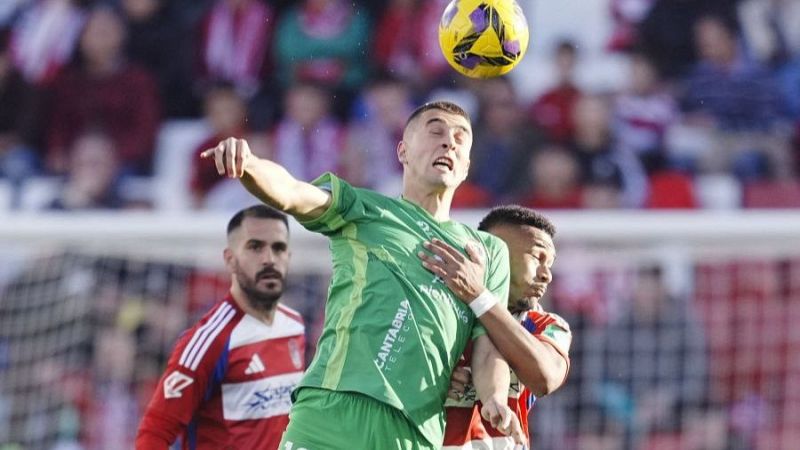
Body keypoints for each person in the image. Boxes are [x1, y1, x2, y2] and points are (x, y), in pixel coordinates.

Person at [200, 101, 523, 449]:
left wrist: (494, 397)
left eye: (461, 138)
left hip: (413, 429)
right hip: (331, 411)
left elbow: (489, 346)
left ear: (466, 167)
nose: (449, 143)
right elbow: (293, 192)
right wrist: (249, 165)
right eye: (435, 131)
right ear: (403, 151)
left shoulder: (488, 251)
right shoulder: (365, 210)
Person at [136, 205, 306, 450]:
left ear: (288, 257)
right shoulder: (210, 340)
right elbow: (155, 431)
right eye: (255, 247)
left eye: (278, 248)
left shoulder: (294, 326)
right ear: (230, 260)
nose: (269, 259)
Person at [419, 205, 572, 449]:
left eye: (550, 264)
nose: (547, 275)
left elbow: (545, 378)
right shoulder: (440, 311)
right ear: (495, 253)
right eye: (537, 257)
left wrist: (478, 296)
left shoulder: (546, 325)